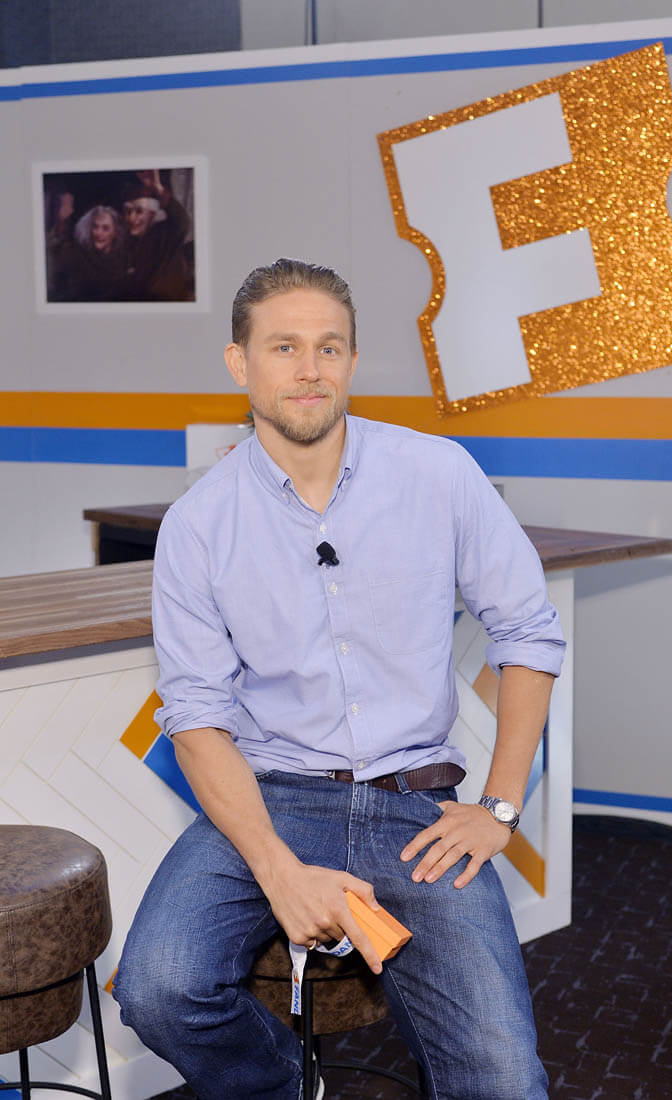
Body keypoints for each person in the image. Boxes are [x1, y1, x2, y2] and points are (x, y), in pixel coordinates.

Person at [114, 258, 565, 1100]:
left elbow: (528, 632)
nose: (310, 368)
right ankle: (286, 1086)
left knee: (504, 1080)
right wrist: (280, 872)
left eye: (329, 347)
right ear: (239, 363)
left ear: (353, 361)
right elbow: (198, 717)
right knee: (159, 988)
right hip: (270, 797)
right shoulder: (200, 525)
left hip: (415, 805)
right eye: (284, 347)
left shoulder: (438, 473)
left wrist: (502, 807)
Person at [120, 168, 193, 301]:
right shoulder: (122, 239)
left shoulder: (164, 235)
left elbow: (182, 222)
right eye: (128, 211)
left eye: (139, 211)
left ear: (152, 214)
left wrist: (158, 189)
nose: (131, 218)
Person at [46, 195, 126, 301]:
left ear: (115, 232)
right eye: (95, 227)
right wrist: (61, 223)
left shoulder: (123, 260)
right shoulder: (77, 256)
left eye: (105, 228)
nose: (98, 233)